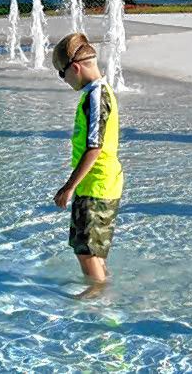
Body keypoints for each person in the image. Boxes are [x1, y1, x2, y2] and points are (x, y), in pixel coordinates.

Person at [52, 33, 124, 297]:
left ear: (75, 67)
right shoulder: (99, 93)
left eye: (62, 74)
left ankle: (98, 299)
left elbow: (94, 147)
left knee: (87, 250)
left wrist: (69, 187)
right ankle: (100, 289)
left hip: (96, 185)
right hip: (98, 184)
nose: (65, 81)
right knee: (91, 249)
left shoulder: (96, 96)